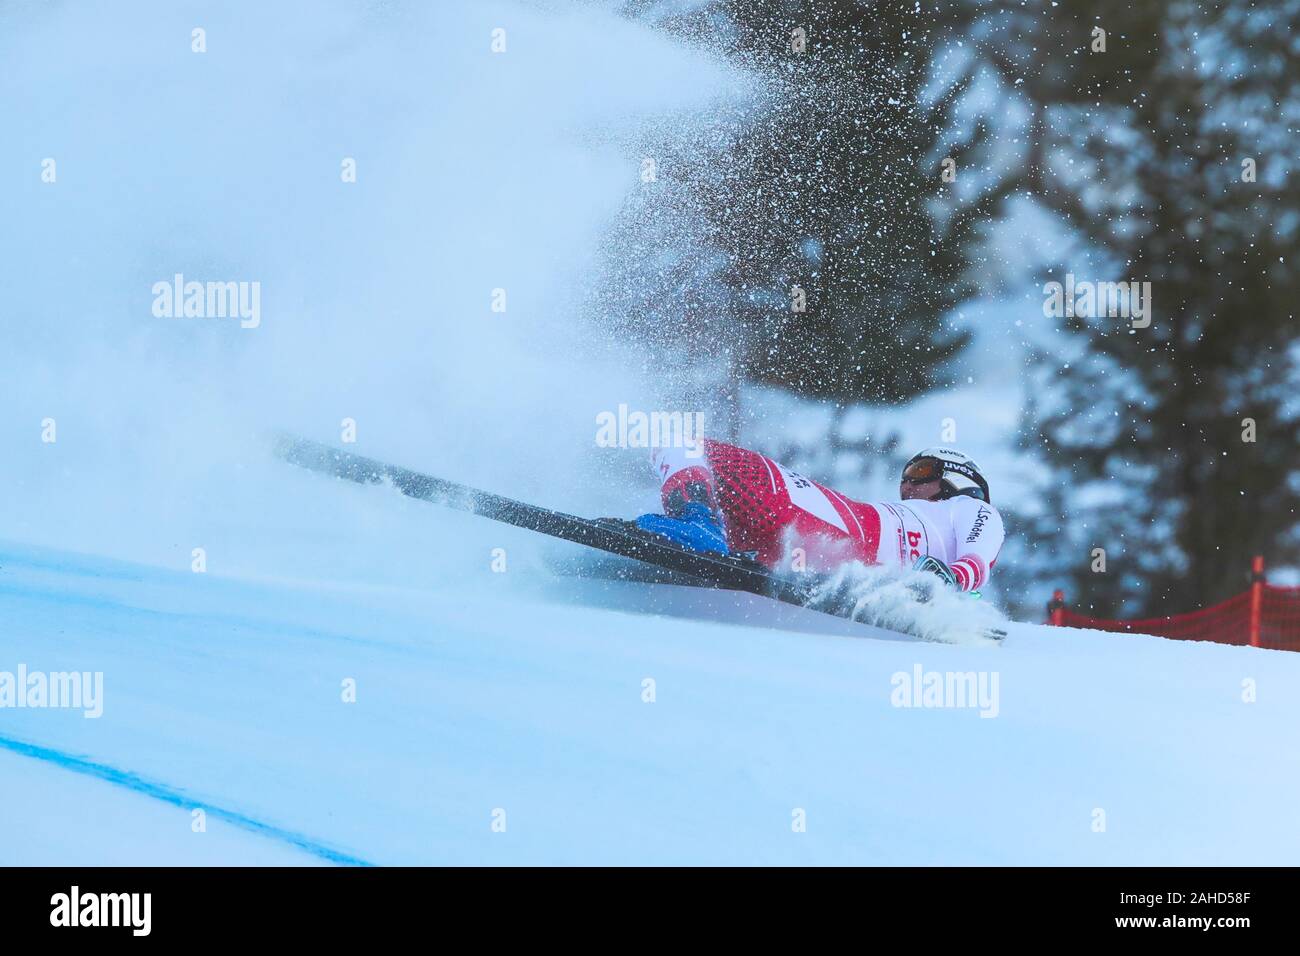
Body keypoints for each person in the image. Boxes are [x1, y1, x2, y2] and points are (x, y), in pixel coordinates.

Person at [634, 440, 1004, 592]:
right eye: (904, 477)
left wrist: (950, 577)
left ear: (960, 480)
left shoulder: (974, 509)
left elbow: (977, 561)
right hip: (824, 540)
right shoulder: (930, 523)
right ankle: (701, 532)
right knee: (712, 485)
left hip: (827, 520)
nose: (907, 485)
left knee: (680, 442)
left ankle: (697, 528)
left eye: (922, 472)